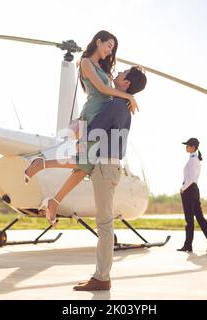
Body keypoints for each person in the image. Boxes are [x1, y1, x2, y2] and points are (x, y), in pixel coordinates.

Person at [23, 30, 146, 225]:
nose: (110, 51)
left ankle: (54, 201)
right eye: (108, 45)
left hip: (100, 116)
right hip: (92, 115)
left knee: (84, 167)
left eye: (112, 48)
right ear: (98, 42)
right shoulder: (86, 62)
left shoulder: (102, 67)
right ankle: (41, 165)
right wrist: (129, 96)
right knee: (83, 161)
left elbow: (114, 88)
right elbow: (104, 90)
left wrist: (127, 94)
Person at [72, 93, 138, 291]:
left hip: (104, 166)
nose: (117, 75)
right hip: (109, 165)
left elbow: (93, 132)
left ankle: (102, 277)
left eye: (122, 74)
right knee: (104, 223)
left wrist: (77, 130)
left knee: (104, 224)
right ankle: (101, 276)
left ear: (126, 84)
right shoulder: (124, 106)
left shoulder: (114, 105)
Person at [177, 138, 207, 253]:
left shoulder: (193, 160)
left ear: (192, 147)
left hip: (189, 190)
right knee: (200, 218)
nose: (186, 147)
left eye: (187, 145)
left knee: (189, 219)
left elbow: (191, 178)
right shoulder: (194, 159)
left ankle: (188, 245)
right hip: (193, 190)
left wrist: (183, 188)